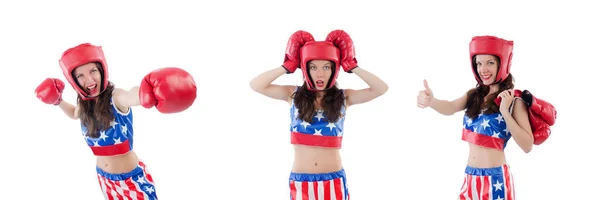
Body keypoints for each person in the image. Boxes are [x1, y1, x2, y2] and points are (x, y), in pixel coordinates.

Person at [34, 43, 197, 199]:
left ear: (102, 71)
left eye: (93, 71)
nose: (89, 80)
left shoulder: (116, 97)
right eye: (80, 75)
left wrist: (145, 94)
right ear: (74, 80)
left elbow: (131, 96)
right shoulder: (84, 105)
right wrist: (58, 101)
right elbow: (75, 114)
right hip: (104, 179)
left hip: (131, 180)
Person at [250, 30, 388, 200]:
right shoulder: (292, 94)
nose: (320, 74)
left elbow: (381, 89)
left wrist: (352, 65)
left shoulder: (344, 97)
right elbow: (256, 85)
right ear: (305, 68)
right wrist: (287, 65)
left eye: (326, 67)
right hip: (302, 184)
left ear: (334, 69)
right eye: (313, 67)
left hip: (333, 181)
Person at [416, 36, 557, 199]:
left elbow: (527, 146)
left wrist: (505, 111)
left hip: (495, 181)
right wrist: (431, 101)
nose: (483, 69)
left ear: (501, 64)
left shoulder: (514, 101)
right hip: (470, 177)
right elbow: (450, 107)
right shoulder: (473, 95)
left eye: (490, 63)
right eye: (479, 63)